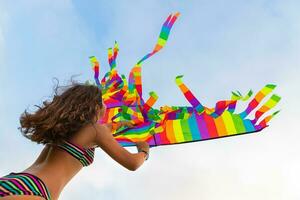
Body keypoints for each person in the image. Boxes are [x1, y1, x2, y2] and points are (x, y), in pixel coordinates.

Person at [0, 80, 150, 200]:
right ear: (96, 106)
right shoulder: (96, 130)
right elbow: (132, 163)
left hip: (13, 181)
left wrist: (116, 126)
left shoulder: (65, 129)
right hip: (36, 190)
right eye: (103, 102)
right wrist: (143, 151)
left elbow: (100, 132)